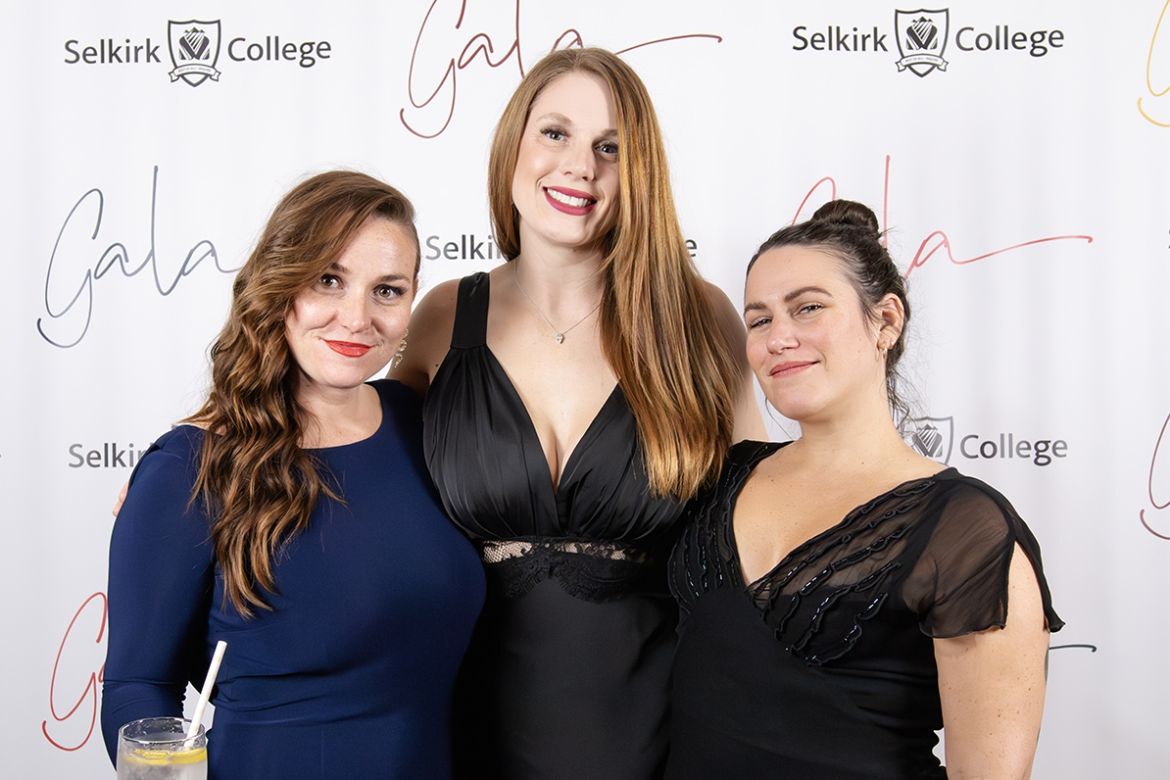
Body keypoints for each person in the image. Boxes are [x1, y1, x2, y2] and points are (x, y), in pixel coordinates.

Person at [392, 48, 763, 778]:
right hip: (461, 722)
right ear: (513, 146)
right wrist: (215, 437)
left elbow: (771, 502)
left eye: (610, 148)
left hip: (656, 730)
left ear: (639, 171)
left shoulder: (698, 317)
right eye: (555, 133)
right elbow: (348, 435)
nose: (580, 168)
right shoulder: (442, 316)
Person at [101, 171, 485, 779]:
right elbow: (135, 687)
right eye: (329, 280)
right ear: (281, 286)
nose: (356, 318)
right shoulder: (189, 468)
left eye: (387, 290)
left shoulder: (423, 424)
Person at [667, 200, 1064, 779]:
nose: (779, 338)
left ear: (885, 322)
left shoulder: (964, 529)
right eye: (759, 320)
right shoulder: (718, 477)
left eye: (807, 309)